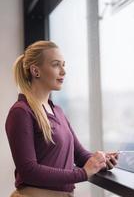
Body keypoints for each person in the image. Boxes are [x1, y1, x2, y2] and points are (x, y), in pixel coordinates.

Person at [5, 40, 118, 197]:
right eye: (56, 64)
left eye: (63, 65)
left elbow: (79, 155)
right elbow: (29, 171)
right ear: (35, 71)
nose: (63, 71)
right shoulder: (20, 112)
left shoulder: (57, 111)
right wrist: (83, 173)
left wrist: (101, 161)